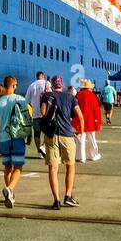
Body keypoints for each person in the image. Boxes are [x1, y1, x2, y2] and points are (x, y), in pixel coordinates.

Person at [39, 75, 83, 209]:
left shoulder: (46, 96)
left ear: (52, 85)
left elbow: (43, 113)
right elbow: (80, 116)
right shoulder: (71, 97)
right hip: (67, 135)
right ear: (62, 85)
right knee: (70, 166)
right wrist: (79, 132)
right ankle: (68, 196)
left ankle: (56, 201)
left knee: (53, 168)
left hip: (52, 135)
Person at [0, 75, 29, 209]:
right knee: (18, 167)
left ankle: (9, 195)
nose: (16, 87)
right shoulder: (20, 99)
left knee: (7, 167)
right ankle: (10, 189)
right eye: (16, 85)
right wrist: (29, 134)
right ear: (12, 85)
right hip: (17, 137)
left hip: (3, 139)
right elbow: (26, 119)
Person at [75, 78, 103, 162]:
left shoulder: (78, 95)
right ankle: (94, 155)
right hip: (90, 120)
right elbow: (96, 110)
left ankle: (81, 157)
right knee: (92, 139)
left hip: (80, 120)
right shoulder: (92, 96)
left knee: (80, 139)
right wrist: (99, 122)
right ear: (89, 88)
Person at [25, 72, 51, 157]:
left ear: (37, 77)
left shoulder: (32, 85)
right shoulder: (47, 83)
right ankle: (43, 147)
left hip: (35, 113)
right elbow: (51, 96)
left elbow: (27, 100)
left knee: (37, 133)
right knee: (49, 133)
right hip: (46, 113)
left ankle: (39, 152)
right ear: (43, 76)